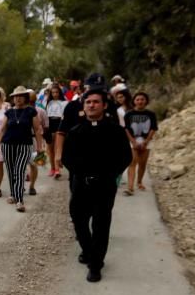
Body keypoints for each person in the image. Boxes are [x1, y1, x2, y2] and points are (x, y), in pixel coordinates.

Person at [61, 87, 132, 282]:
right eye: (88, 102)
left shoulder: (115, 131)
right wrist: (80, 172)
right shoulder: (75, 132)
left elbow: (125, 157)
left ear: (104, 105)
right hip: (80, 184)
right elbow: (66, 158)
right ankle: (88, 250)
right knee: (79, 220)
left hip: (105, 186)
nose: (91, 105)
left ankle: (95, 264)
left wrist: (109, 175)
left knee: (101, 225)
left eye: (95, 102)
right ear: (83, 106)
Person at [0, 86, 43, 212]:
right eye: (15, 96)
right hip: (7, 145)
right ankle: (13, 194)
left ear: (26, 98)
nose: (18, 98)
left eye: (20, 96)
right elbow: (2, 129)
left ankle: (19, 200)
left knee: (19, 170)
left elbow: (37, 130)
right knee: (11, 171)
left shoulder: (31, 111)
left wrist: (40, 147)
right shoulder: (9, 112)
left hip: (25, 146)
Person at [124, 91, 159, 195]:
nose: (140, 101)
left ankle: (139, 182)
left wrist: (146, 142)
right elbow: (126, 129)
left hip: (146, 140)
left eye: (142, 99)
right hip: (133, 140)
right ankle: (130, 187)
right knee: (132, 162)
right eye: (137, 99)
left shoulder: (151, 114)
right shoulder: (129, 114)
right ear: (134, 101)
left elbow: (153, 128)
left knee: (142, 163)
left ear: (146, 101)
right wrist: (133, 141)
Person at [27, 89, 49, 196]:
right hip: (22, 140)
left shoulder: (41, 111)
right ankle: (20, 186)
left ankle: (32, 186)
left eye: (32, 101)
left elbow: (45, 127)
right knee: (20, 165)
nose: (30, 103)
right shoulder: (18, 111)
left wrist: (42, 144)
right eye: (29, 100)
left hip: (35, 140)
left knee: (33, 164)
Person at [44, 82, 67, 179]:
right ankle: (52, 168)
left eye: (57, 92)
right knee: (50, 148)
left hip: (59, 123)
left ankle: (57, 169)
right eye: (53, 93)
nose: (55, 94)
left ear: (59, 93)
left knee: (58, 147)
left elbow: (65, 115)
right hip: (50, 124)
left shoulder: (64, 102)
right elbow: (46, 114)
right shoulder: (48, 102)